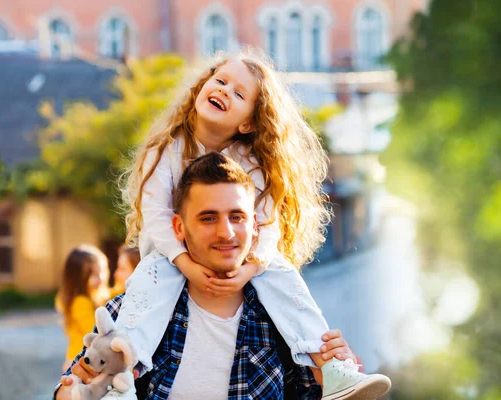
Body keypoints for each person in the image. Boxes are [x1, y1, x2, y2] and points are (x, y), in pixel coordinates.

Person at [118, 48, 391, 399]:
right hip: (171, 257)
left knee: (281, 276)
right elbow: (156, 218)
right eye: (220, 81)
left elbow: (267, 226)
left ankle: (330, 368)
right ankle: (118, 378)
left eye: (238, 93)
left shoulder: (249, 162)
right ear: (202, 86)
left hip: (240, 259)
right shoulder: (166, 149)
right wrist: (185, 264)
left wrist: (251, 268)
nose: (224, 91)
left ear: (248, 122)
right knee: (145, 295)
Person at [55, 153, 367, 399]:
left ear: (255, 226)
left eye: (237, 216)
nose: (226, 232)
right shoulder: (135, 309)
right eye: (208, 218)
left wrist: (333, 373)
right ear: (178, 228)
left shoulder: (284, 318)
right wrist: (71, 392)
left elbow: (321, 393)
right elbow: (72, 386)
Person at [56, 244, 111, 371]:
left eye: (101, 271)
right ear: (77, 279)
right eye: (93, 275)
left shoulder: (94, 295)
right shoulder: (80, 303)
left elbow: (112, 293)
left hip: (84, 361)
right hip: (79, 363)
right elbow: (96, 332)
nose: (100, 278)